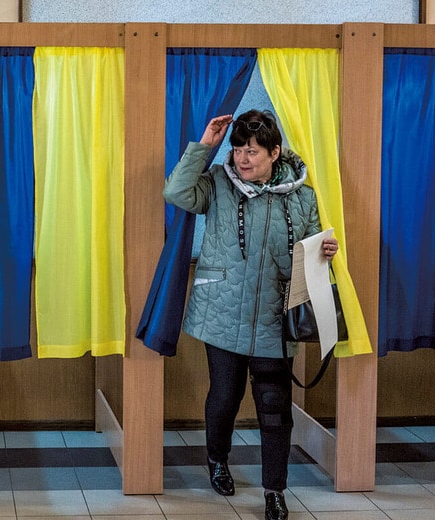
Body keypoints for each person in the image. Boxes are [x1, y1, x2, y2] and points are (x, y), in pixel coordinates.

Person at [162, 109, 338, 520]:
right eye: (238, 149)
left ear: (275, 152)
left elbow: (310, 256)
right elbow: (176, 193)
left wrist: (325, 253)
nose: (243, 158)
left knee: (274, 407)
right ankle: (217, 459)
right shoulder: (220, 184)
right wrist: (206, 144)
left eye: (253, 151)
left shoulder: (303, 197)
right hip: (222, 312)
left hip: (276, 321)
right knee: (224, 397)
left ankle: (274, 491)